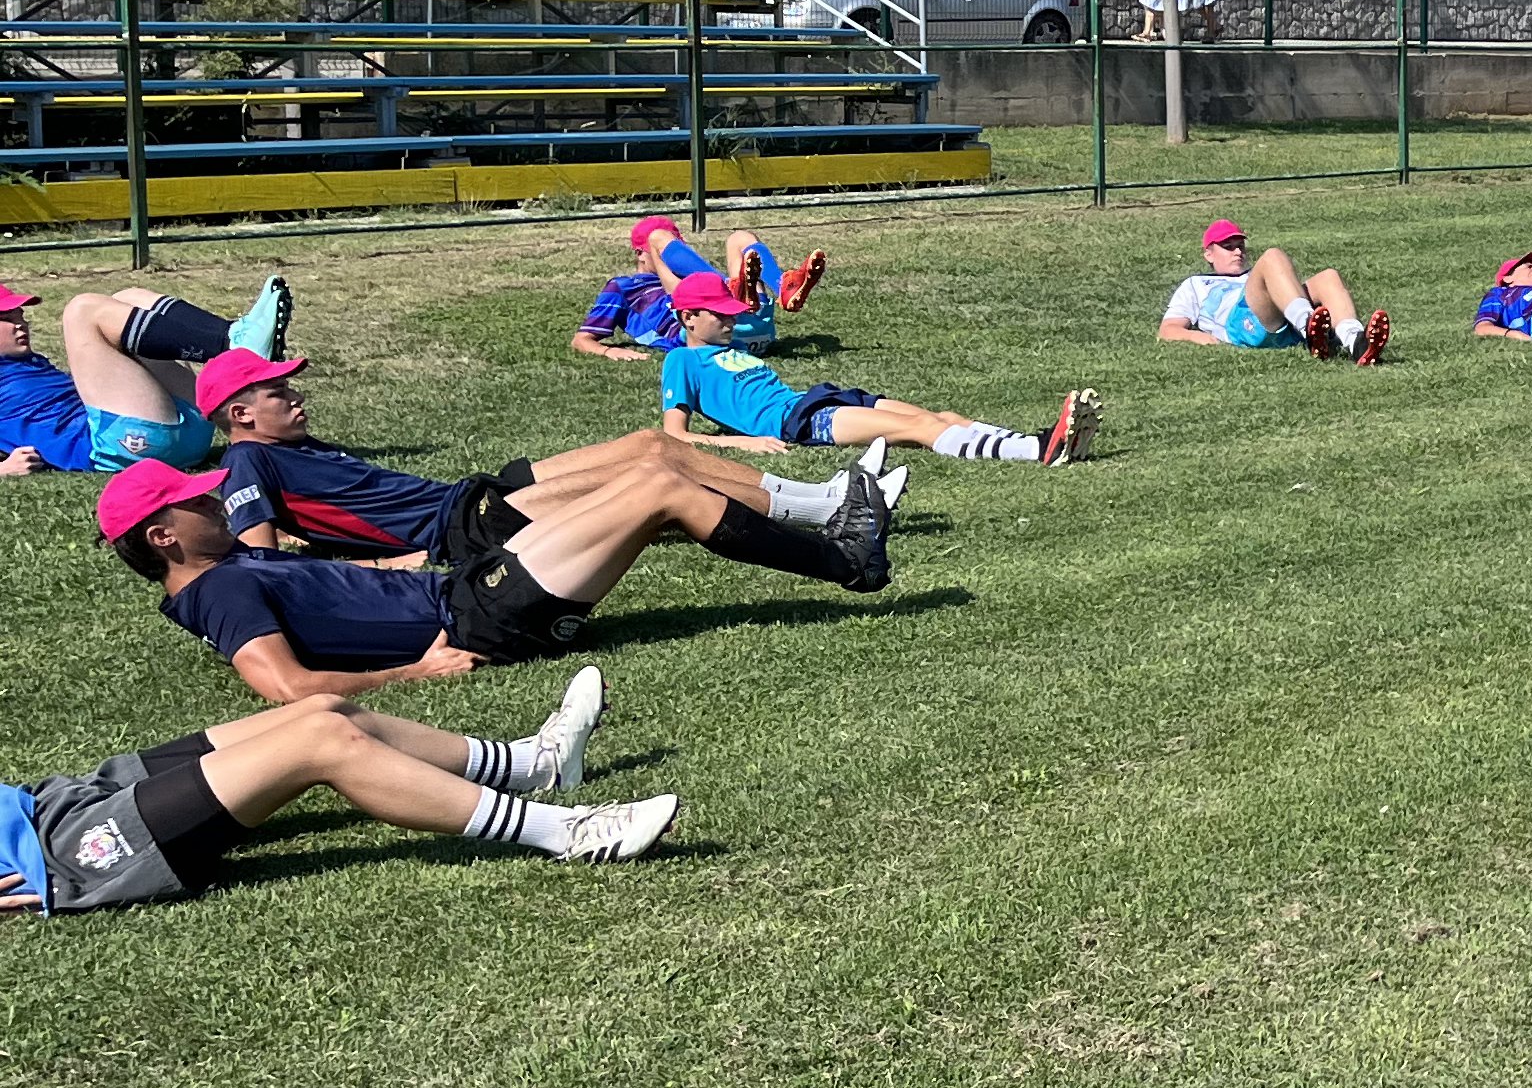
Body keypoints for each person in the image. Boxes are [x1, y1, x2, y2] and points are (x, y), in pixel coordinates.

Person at [103, 441, 891, 704]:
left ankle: (838, 531)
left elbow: (334, 588)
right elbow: (285, 689)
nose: (217, 506)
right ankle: (848, 557)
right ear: (165, 537)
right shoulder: (220, 591)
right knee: (657, 490)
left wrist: (399, 561)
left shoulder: (230, 566)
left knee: (648, 482)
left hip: (459, 581)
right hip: (476, 617)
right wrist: (414, 671)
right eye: (195, 504)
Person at [6, 678, 678, 915]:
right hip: (59, 855)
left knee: (326, 709)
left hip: (50, 803)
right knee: (321, 742)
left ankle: (536, 764)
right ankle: (566, 832)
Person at [204, 348, 899, 568]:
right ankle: (837, 522)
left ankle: (830, 502)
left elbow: (313, 526)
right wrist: (392, 564)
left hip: (466, 498)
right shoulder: (250, 467)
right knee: (653, 478)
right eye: (277, 391)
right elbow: (262, 566)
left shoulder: (285, 448)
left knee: (653, 444)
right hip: (460, 532)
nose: (294, 395)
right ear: (240, 414)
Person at [656, 277, 1098, 462]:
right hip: (799, 420)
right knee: (922, 427)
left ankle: (1035, 439)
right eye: (720, 315)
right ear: (688, 318)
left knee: (941, 416)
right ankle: (1038, 453)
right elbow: (674, 434)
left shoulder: (729, 349)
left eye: (731, 313)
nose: (731, 320)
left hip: (815, 397)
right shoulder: (681, 360)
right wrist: (743, 444)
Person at [0, 273, 294, 475]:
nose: (20, 324)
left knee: (129, 297)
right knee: (82, 310)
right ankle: (234, 347)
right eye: (6, 319)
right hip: (124, 448)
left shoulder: (27, 363)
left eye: (21, 316)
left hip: (191, 427)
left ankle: (234, 338)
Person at [573, 217, 823, 358]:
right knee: (658, 236)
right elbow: (582, 339)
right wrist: (609, 351)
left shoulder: (686, 272)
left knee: (740, 238)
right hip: (710, 334)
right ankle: (730, 288)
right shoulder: (623, 287)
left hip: (731, 325)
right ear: (640, 254)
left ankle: (783, 286)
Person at [1159, 217, 1386, 363]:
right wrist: (1201, 339)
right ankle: (1310, 330)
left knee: (1328, 277)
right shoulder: (1196, 284)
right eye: (1228, 247)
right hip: (1242, 321)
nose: (1237, 252)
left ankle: (1356, 342)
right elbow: (1168, 329)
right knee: (1272, 257)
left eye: (1240, 246)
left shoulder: (1252, 275)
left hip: (1283, 318)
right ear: (1208, 254)